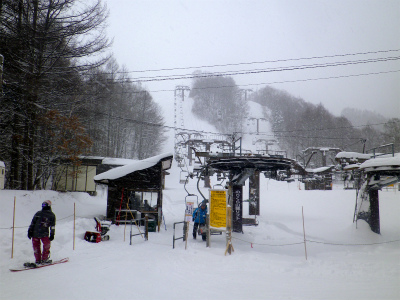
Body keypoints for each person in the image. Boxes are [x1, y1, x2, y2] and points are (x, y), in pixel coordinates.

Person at [27, 200, 56, 264]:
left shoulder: (51, 215)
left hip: (44, 234)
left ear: (49, 206)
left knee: (46, 246)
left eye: (45, 205)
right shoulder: (38, 213)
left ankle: (44, 259)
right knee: (37, 247)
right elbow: (33, 223)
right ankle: (38, 260)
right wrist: (30, 231)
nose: (43, 206)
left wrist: (52, 234)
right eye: (42, 205)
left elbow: (52, 226)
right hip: (36, 233)